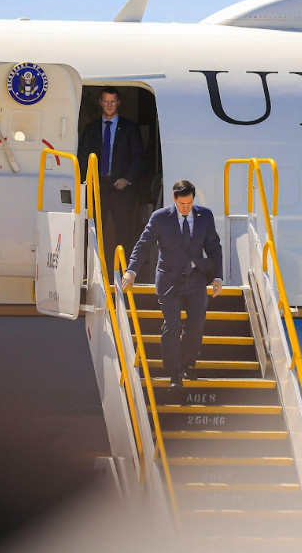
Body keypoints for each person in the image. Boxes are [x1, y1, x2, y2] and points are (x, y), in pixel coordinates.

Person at [122, 180, 223, 388]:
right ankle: (174, 373)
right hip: (169, 279)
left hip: (195, 278)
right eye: (182, 203)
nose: (186, 208)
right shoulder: (160, 218)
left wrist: (217, 277)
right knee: (172, 325)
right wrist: (131, 270)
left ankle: (187, 365)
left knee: (196, 324)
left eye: (189, 203)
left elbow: (214, 247)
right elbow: (144, 244)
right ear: (174, 199)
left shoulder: (205, 216)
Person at [78, 87, 144, 261]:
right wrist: (90, 180)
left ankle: (125, 274)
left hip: (121, 188)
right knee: (92, 231)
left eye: (112, 101)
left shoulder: (130, 128)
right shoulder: (91, 129)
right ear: (100, 102)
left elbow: (138, 157)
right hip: (97, 188)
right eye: (106, 101)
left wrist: (127, 178)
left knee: (123, 232)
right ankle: (92, 272)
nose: (109, 105)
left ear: (118, 103)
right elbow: (83, 156)